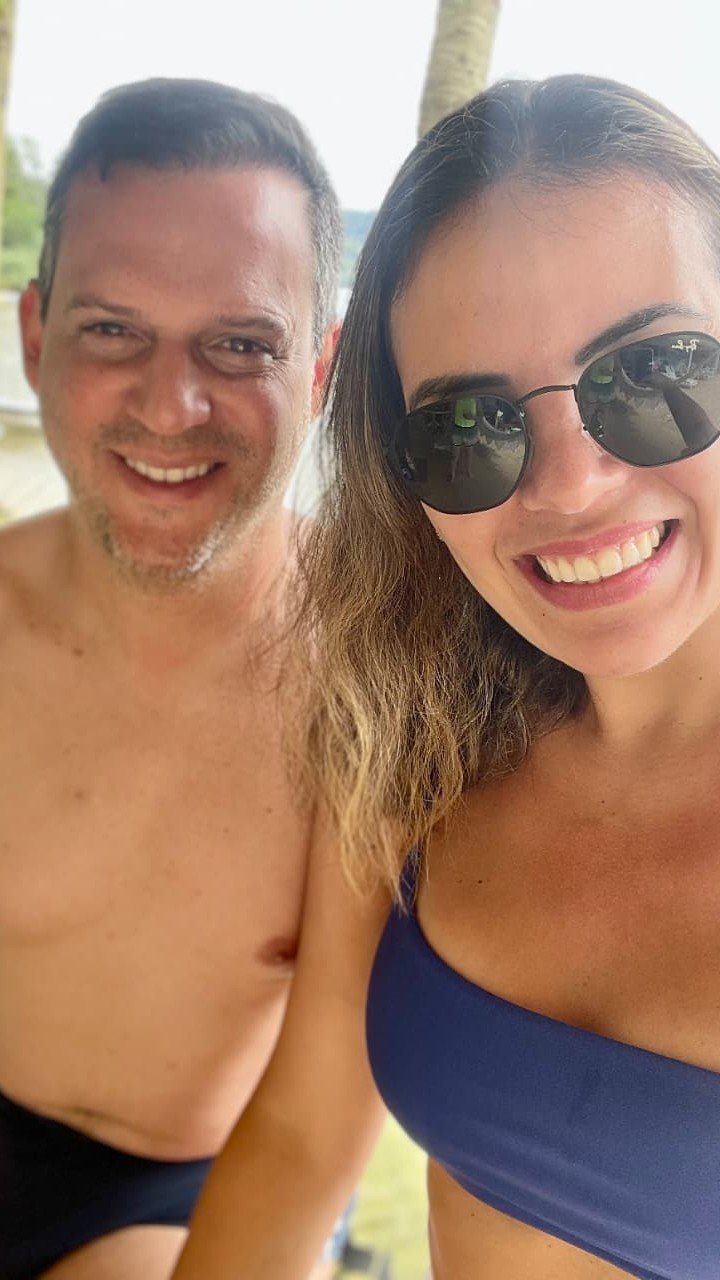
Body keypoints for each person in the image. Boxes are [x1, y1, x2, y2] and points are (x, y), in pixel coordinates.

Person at [284, 74, 720, 1280]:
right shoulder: (414, 739)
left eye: (654, 369)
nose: (571, 485)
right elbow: (300, 1135)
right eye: (467, 427)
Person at [0, 77, 385, 1280]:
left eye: (241, 343)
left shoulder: (371, 687)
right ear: (35, 336)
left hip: (192, 1181)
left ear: (320, 365)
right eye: (113, 330)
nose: (171, 405)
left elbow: (316, 1127)